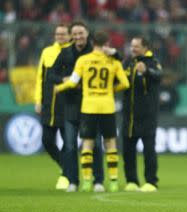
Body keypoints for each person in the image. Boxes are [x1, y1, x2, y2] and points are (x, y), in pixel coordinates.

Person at [54, 31, 129, 192]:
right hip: (107, 106)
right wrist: (111, 89)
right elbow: (125, 83)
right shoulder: (113, 62)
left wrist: (59, 88)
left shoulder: (83, 60)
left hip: (88, 106)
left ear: (93, 43)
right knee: (110, 143)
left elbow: (73, 82)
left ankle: (87, 182)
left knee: (87, 143)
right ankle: (114, 182)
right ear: (107, 44)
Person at [122, 36, 162, 192]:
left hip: (147, 115)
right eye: (132, 46)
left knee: (149, 150)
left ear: (145, 47)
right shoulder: (127, 63)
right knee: (128, 150)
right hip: (129, 115)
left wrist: (146, 71)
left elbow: (159, 76)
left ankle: (151, 182)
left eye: (136, 46)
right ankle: (131, 180)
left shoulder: (153, 62)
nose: (133, 49)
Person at [35, 24, 71, 190]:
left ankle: (66, 175)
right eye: (58, 34)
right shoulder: (47, 52)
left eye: (63, 34)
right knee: (47, 140)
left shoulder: (73, 53)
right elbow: (40, 78)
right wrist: (38, 100)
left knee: (67, 140)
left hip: (67, 103)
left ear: (69, 36)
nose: (60, 36)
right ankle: (66, 167)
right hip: (49, 103)